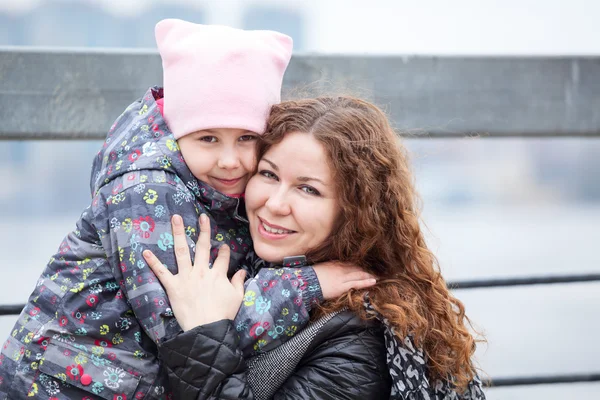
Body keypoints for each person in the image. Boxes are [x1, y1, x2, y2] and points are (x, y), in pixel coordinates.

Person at [0, 22, 375, 399]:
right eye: (208, 138)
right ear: (176, 133)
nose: (230, 161)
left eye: (247, 138)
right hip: (57, 384)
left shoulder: (207, 188)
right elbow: (189, 327)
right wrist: (304, 285)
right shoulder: (145, 193)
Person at [143, 96, 487, 399]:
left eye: (308, 190)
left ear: (355, 212)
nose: (274, 204)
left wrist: (205, 332)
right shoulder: (247, 268)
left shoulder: (361, 340)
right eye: (269, 175)